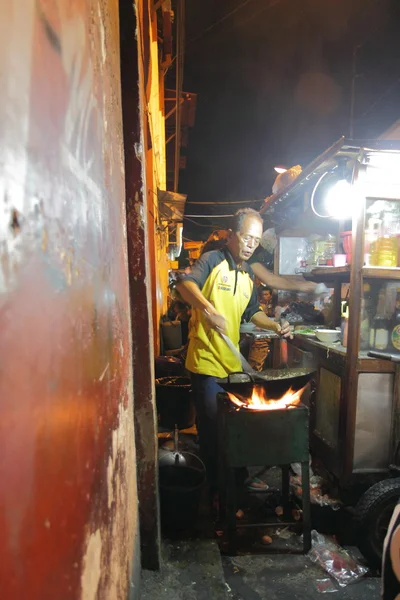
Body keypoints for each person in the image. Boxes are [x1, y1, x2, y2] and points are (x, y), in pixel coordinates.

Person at [176, 208, 291, 490]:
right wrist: (208, 309)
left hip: (232, 366)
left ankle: (233, 483)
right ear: (231, 236)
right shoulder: (212, 260)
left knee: (232, 429)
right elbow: (184, 283)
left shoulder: (247, 274)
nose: (251, 245)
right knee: (213, 430)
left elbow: (253, 313)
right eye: (246, 237)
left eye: (256, 240)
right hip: (206, 362)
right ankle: (216, 492)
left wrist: (275, 325)